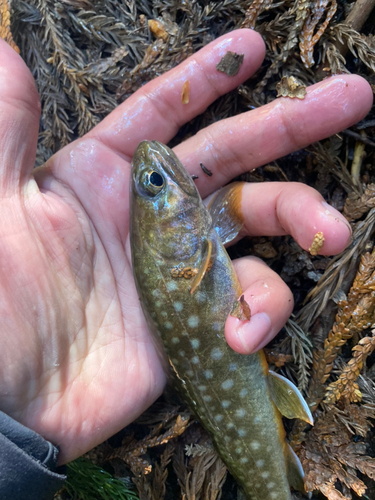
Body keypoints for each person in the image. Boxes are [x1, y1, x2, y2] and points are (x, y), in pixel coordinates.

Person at [0, 29, 372, 499]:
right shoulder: (185, 244)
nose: (153, 166)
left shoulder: (185, 245)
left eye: (150, 184)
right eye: (155, 184)